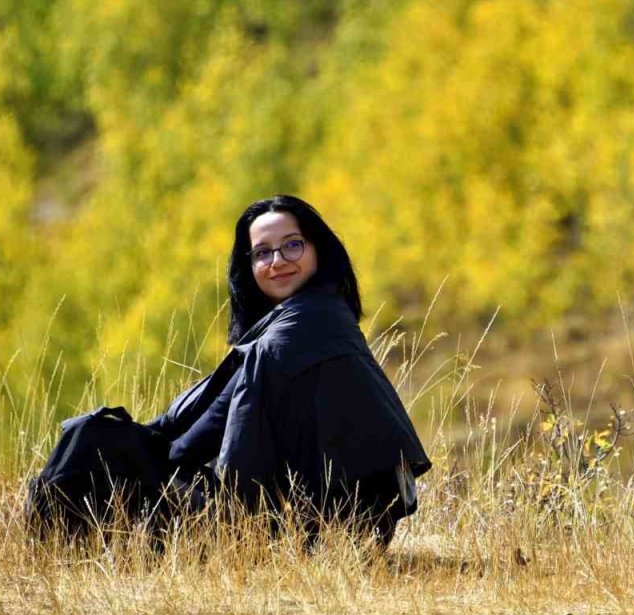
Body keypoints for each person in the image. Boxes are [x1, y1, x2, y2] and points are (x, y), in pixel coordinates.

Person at [148, 194, 431, 544]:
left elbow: (208, 429)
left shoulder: (300, 327)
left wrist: (148, 455)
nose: (277, 261)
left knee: (110, 458)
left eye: (292, 245)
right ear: (248, 266)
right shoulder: (320, 313)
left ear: (318, 251)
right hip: (347, 525)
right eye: (262, 253)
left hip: (320, 529)